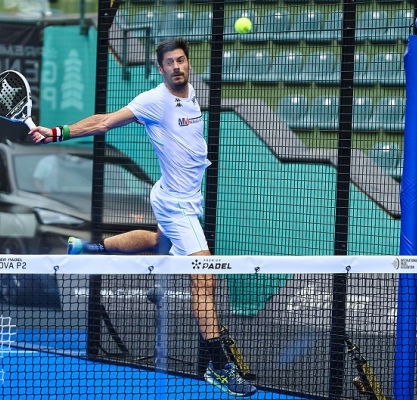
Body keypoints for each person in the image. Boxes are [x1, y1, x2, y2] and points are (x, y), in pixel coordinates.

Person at [28, 38, 257, 398]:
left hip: (178, 196)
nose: (177, 67)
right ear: (160, 68)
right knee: (205, 277)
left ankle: (92, 248)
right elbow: (103, 122)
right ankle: (218, 366)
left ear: (188, 63)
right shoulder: (153, 100)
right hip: (176, 203)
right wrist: (57, 132)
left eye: (181, 60)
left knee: (158, 241)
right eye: (169, 63)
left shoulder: (191, 92)